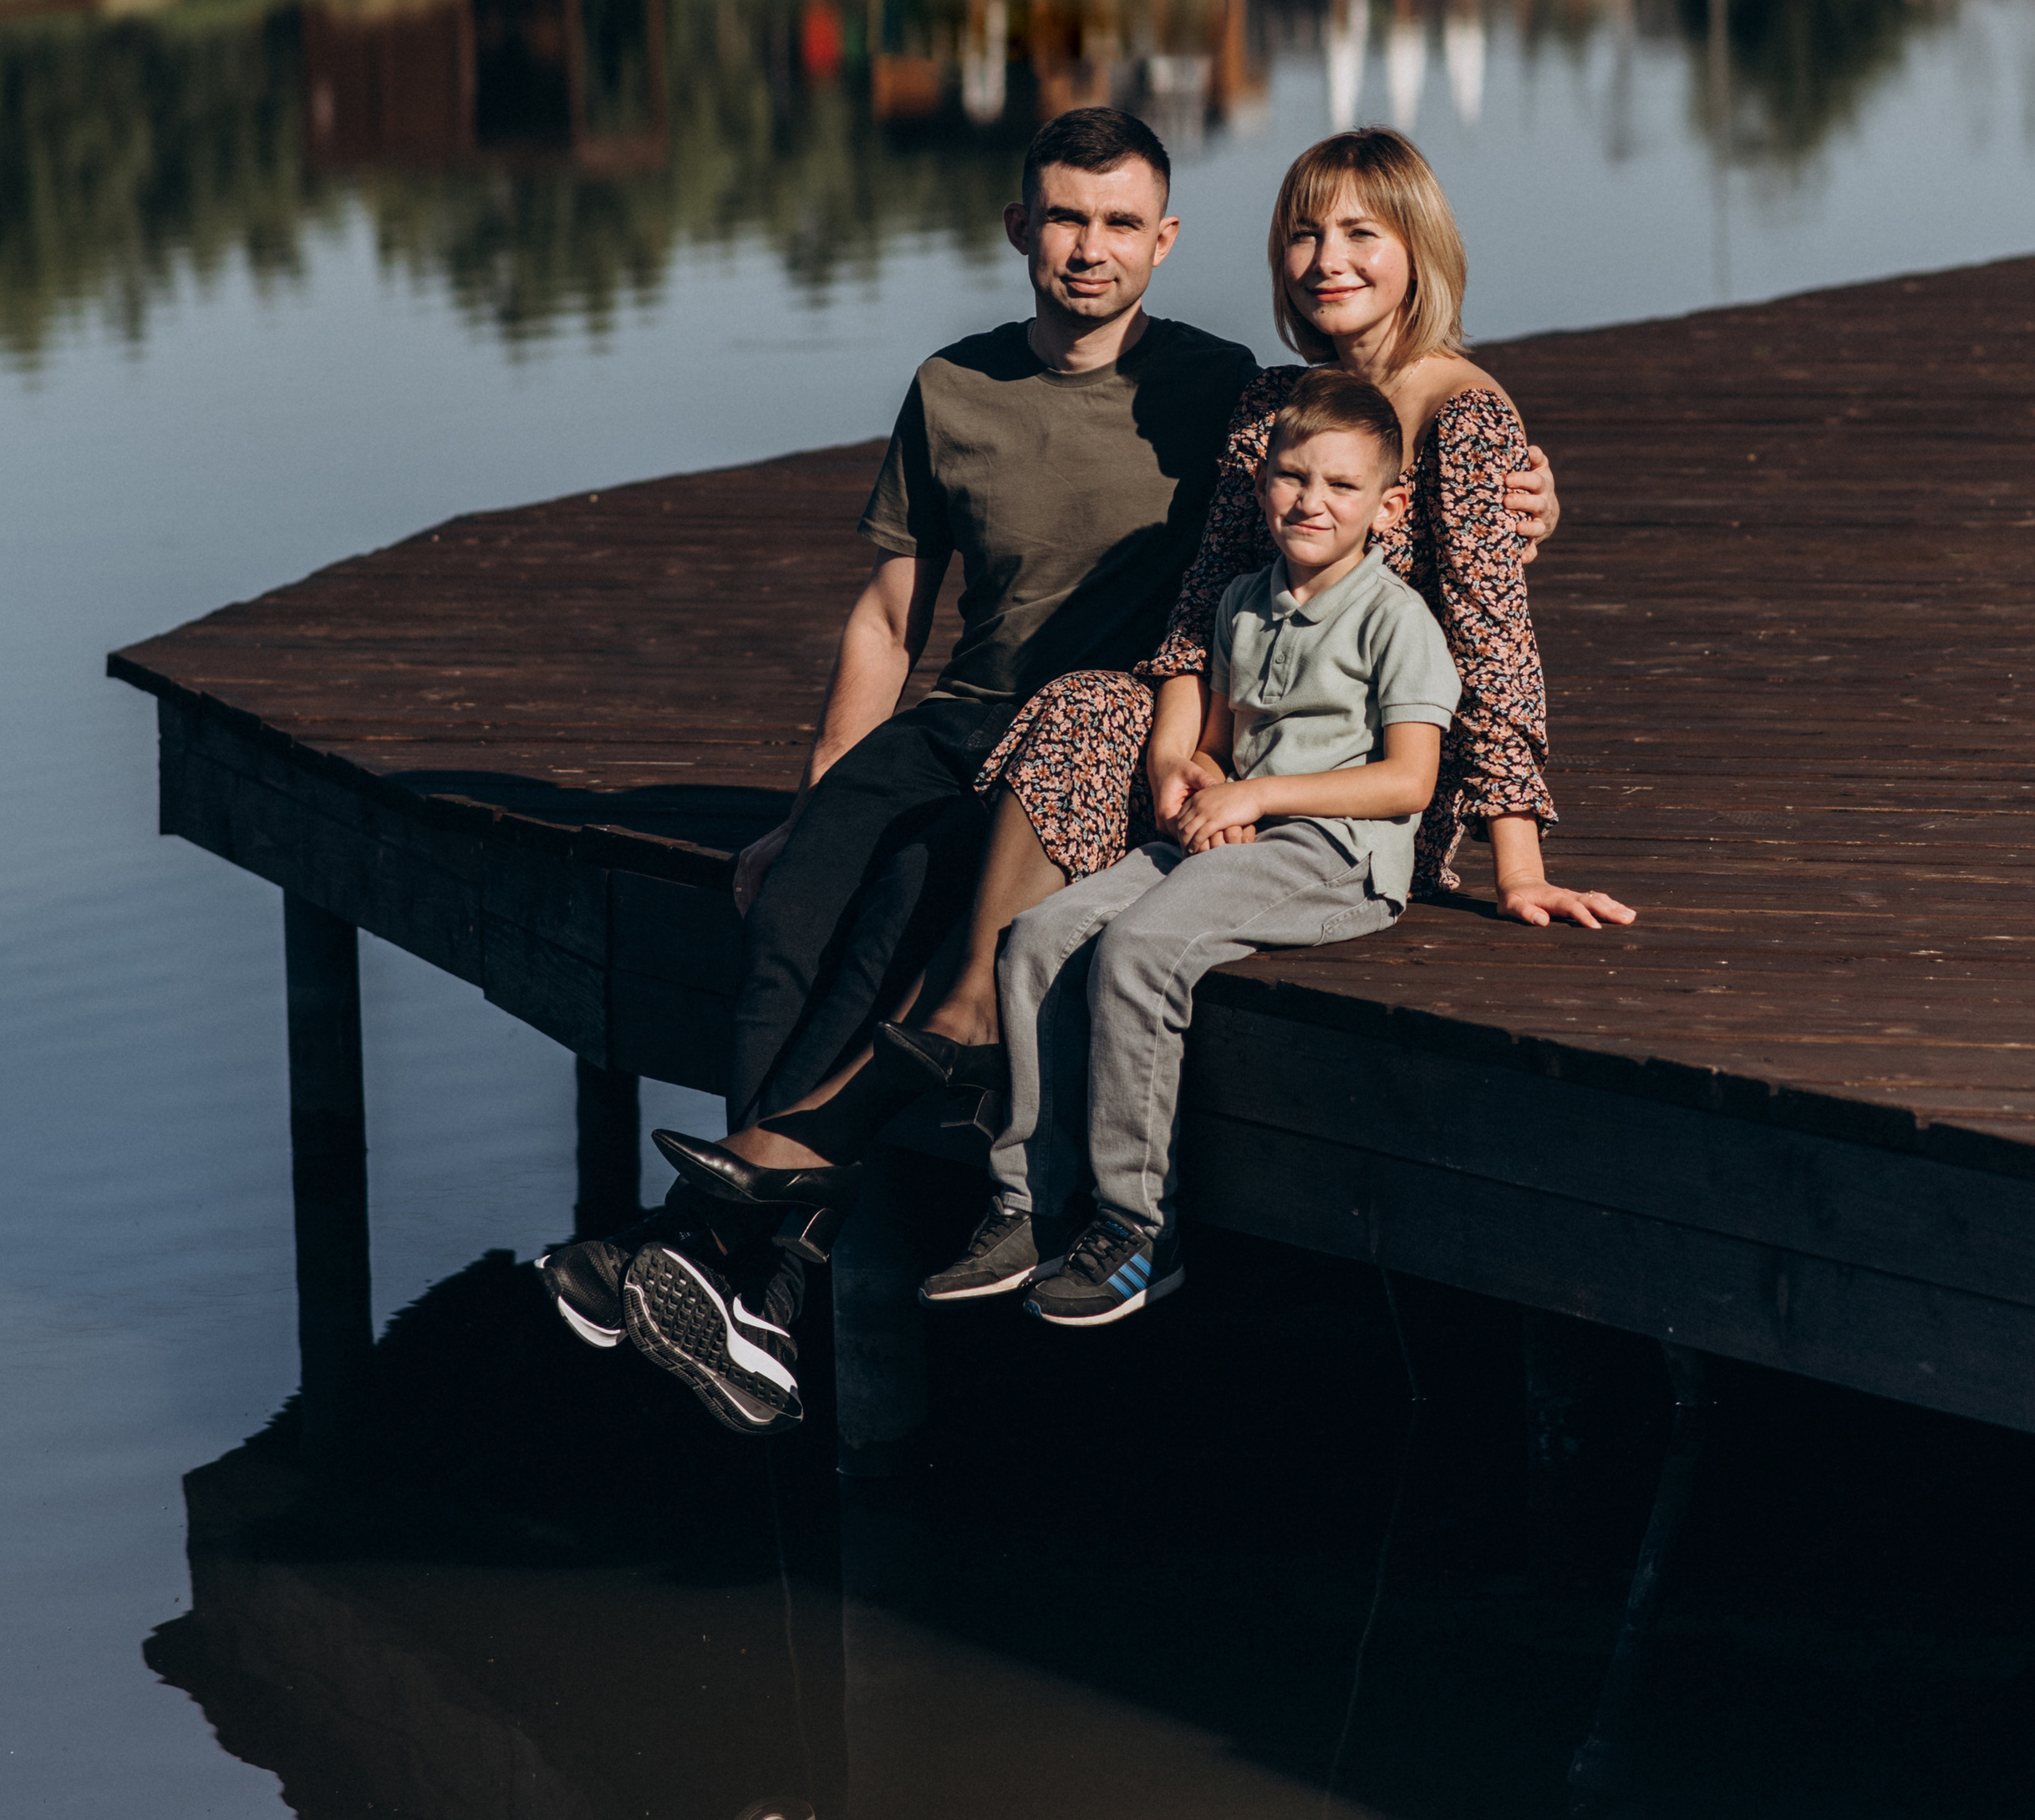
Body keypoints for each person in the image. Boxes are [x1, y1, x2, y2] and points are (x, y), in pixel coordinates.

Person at [538, 103, 1256, 1431]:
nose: (1086, 249)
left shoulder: (1219, 386)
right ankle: (746, 1284)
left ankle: (718, 1260)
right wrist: (809, 805)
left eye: (1116, 224)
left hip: (1089, 739)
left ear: (1162, 239)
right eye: (1062, 218)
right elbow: (888, 619)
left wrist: (1520, 482)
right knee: (797, 902)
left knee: (898, 921)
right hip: (962, 713)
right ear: (1016, 227)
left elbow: (1373, 445)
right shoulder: (953, 386)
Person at [888, 126, 1630, 1113]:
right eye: (1303, 235)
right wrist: (1174, 757)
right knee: (1084, 706)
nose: (1328, 262)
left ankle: (965, 1049)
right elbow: (1203, 603)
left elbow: (1496, 644)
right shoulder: (1272, 404)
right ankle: (972, 1015)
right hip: (1246, 744)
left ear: (1417, 248)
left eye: (1361, 234)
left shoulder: (1463, 415)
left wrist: (1518, 867)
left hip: (1372, 778)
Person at [917, 369, 1458, 1317]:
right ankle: (1028, 1203)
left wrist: (1259, 792)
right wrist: (1202, 776)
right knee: (1038, 936)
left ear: (1389, 502)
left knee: (1138, 948)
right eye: (1292, 476)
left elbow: (1408, 779)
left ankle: (1136, 1226)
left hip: (1337, 854)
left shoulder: (1394, 616)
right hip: (1233, 834)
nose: (1311, 500)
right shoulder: (1242, 600)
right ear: (1258, 485)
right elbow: (1211, 737)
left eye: (1340, 485)